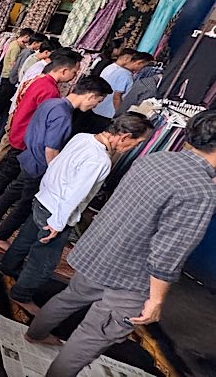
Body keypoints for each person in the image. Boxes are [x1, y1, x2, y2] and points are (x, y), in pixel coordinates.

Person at [25, 109, 216, 377]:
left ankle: (34, 333)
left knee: (70, 298)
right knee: (93, 335)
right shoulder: (200, 191)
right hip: (132, 275)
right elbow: (169, 252)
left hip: (100, 251)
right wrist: (156, 300)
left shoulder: (156, 159)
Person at [1, 113, 153, 315]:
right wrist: (58, 223)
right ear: (124, 137)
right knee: (44, 261)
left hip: (44, 199)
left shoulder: (83, 137)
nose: (134, 147)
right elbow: (75, 194)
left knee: (26, 238)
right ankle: (21, 294)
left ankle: (8, 267)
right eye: (137, 143)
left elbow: (56, 166)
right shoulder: (100, 160)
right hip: (57, 211)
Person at [0, 76, 112, 250]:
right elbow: (50, 150)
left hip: (29, 156)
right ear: (90, 96)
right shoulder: (63, 115)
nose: (95, 106)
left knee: (14, 191)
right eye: (98, 101)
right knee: (25, 205)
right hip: (40, 165)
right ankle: (0, 236)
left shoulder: (52, 103)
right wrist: (55, 173)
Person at [0, 49, 82, 207]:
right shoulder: (50, 90)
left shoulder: (42, 81)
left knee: (8, 165)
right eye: (74, 72)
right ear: (64, 70)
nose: (74, 77)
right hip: (25, 133)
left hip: (20, 128)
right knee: (10, 169)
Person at [0, 28, 33, 127]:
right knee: (3, 97)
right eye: (28, 39)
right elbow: (13, 63)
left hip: (7, 73)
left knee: (0, 94)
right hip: (9, 75)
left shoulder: (14, 44)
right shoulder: (16, 47)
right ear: (25, 36)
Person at [94, 50, 154, 118]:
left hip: (99, 109)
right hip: (108, 113)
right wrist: (119, 114)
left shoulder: (116, 69)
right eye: (144, 66)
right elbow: (117, 97)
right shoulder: (126, 75)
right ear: (139, 63)